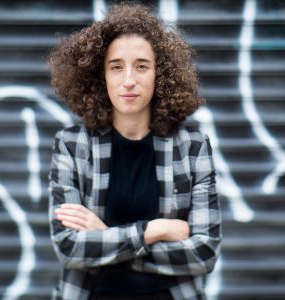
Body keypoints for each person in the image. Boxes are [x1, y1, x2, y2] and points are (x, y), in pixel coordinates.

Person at [48, 3, 221, 300]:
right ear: (100, 75)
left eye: (142, 66)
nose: (129, 80)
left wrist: (106, 237)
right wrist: (152, 230)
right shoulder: (72, 145)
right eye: (116, 66)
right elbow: (69, 248)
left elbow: (203, 253)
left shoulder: (192, 148)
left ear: (161, 74)